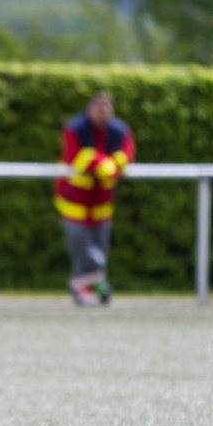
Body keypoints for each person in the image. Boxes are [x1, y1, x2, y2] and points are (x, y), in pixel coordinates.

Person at [53, 92, 135, 306]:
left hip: (102, 206)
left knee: (100, 250)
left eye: (106, 108)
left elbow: (126, 155)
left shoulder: (119, 131)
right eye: (98, 108)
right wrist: (104, 164)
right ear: (89, 109)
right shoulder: (75, 129)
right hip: (75, 205)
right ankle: (96, 285)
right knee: (86, 252)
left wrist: (110, 165)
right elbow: (76, 157)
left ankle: (84, 289)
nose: (102, 112)